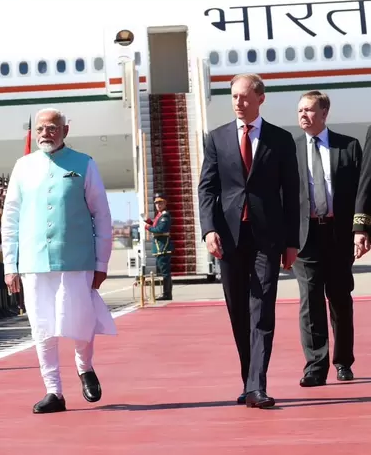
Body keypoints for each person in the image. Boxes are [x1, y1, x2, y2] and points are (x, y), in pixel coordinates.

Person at [2, 107, 115, 414]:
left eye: (52, 128)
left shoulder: (84, 164)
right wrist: (10, 265)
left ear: (66, 130)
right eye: (40, 129)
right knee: (42, 327)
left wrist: (101, 263)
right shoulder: (23, 167)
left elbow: (101, 215)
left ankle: (85, 366)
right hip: (34, 261)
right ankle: (53, 391)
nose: (45, 134)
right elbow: (10, 217)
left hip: (75, 259)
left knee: (79, 321)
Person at [197, 73, 299, 409]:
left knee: (262, 309)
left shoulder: (281, 140)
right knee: (238, 311)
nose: (238, 103)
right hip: (228, 238)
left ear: (260, 99)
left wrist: (291, 242)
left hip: (267, 239)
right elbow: (207, 188)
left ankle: (257, 385)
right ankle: (247, 379)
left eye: (244, 97)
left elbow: (291, 194)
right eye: (234, 97)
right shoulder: (217, 138)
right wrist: (209, 230)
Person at [289, 91, 361, 386]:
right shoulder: (290, 151)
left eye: (308, 110)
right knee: (310, 301)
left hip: (338, 234)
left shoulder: (349, 147)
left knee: (341, 299)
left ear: (324, 113)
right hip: (306, 237)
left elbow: (362, 193)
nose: (303, 116)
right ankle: (315, 367)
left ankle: (343, 361)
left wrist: (361, 230)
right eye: (300, 111)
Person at [143, 193, 173, 301]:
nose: (158, 205)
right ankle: (166, 293)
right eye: (156, 203)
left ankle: (167, 294)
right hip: (159, 246)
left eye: (160, 203)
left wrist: (148, 227)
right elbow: (156, 226)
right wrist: (149, 222)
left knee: (165, 273)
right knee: (164, 271)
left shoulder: (164, 215)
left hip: (163, 246)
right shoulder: (159, 215)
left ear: (165, 203)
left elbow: (160, 229)